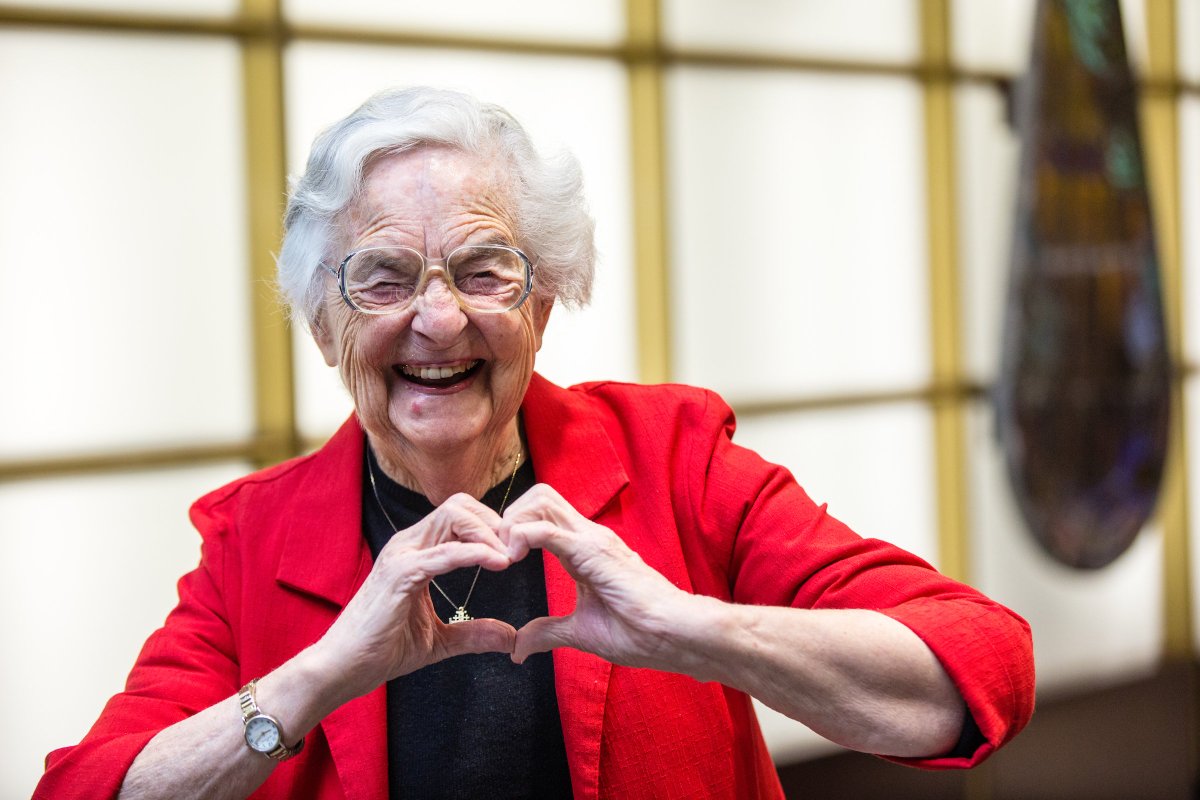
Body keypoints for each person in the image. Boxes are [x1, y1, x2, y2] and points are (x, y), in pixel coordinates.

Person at [34, 87, 1034, 800]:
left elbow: (976, 667)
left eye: (484, 271)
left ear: (543, 300)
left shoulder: (674, 454)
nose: (437, 319)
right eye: (382, 277)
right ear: (321, 322)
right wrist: (321, 672)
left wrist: (691, 628)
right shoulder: (256, 534)